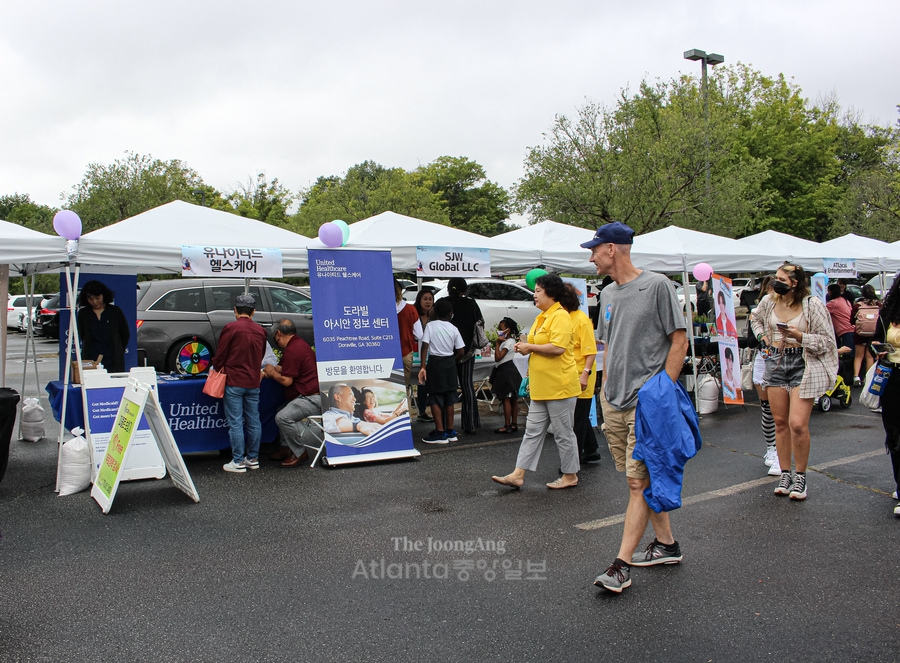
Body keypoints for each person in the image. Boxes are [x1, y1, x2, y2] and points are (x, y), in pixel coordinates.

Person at [582, 222, 688, 594]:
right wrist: (605, 391)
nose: (591, 256)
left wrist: (663, 389)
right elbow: (608, 345)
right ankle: (667, 545)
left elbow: (679, 339)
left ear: (612, 249)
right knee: (640, 481)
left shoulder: (657, 285)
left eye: (594, 249)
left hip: (648, 404)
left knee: (636, 482)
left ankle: (620, 566)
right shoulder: (608, 294)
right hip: (614, 401)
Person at [750, 263, 838, 501]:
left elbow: (828, 342)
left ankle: (801, 476)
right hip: (775, 362)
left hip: (802, 362)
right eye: (775, 278)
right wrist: (763, 337)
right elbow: (755, 319)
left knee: (797, 423)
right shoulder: (769, 301)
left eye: (781, 279)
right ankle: (785, 474)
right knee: (780, 423)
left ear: (795, 283)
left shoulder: (812, 305)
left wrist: (801, 336)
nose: (775, 282)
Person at [491, 274, 581, 491]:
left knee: (563, 433)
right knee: (532, 431)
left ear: (550, 293)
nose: (534, 294)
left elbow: (558, 348)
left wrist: (529, 347)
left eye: (538, 291)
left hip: (559, 386)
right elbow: (538, 342)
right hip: (542, 386)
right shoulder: (544, 316)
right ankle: (518, 474)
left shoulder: (560, 316)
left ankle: (570, 475)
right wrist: (523, 344)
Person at [210, 294, 268, 473]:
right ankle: (253, 458)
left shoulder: (231, 328)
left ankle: (238, 461)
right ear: (254, 312)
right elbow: (262, 354)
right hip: (253, 381)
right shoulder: (260, 330)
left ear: (235, 310)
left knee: (236, 422)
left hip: (234, 380)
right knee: (254, 421)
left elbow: (221, 355)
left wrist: (217, 367)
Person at [265, 319, 321, 468]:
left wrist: (271, 373)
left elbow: (286, 381)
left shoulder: (293, 349)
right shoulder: (297, 344)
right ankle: (285, 447)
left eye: (274, 337)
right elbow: (284, 368)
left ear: (278, 333)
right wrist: (271, 369)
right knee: (279, 409)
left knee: (283, 417)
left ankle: (299, 452)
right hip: (307, 394)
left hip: (312, 398)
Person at [559, 284, 601, 463]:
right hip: (568, 374)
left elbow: (590, 351)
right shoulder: (563, 317)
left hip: (581, 374)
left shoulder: (581, 320)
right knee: (579, 416)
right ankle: (591, 449)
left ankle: (571, 462)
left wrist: (585, 373)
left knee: (577, 419)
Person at [417, 298, 465, 444]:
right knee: (449, 398)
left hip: (435, 363)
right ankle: (450, 430)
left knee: (435, 397)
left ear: (435, 311)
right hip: (450, 362)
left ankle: (439, 432)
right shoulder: (454, 328)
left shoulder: (431, 326)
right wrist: (453, 360)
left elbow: (424, 346)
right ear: (451, 314)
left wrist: (423, 366)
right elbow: (461, 351)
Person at [871, 276, 900, 516]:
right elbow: (876, 342)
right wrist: (879, 350)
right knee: (894, 434)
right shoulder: (888, 315)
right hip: (892, 377)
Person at [443, 277, 484, 434]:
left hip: (447, 353)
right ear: (465, 289)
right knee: (467, 387)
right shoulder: (471, 304)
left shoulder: (444, 303)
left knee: (448, 388)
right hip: (467, 352)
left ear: (448, 288)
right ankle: (470, 424)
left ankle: (447, 426)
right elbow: (480, 323)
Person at [750, 276, 779, 476]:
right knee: (767, 407)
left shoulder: (791, 308)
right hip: (764, 357)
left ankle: (781, 453)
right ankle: (772, 448)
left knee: (782, 411)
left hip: (786, 360)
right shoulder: (759, 310)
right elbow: (752, 334)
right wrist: (762, 336)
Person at [76, 280, 130, 373]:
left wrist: (119, 349)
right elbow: (82, 334)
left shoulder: (115, 311)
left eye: (97, 298)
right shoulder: (83, 313)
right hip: (91, 356)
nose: (95, 302)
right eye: (91, 299)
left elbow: (125, 333)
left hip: (113, 356)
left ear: (104, 295)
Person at [490, 317, 522, 434]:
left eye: (501, 329)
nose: (499, 331)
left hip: (506, 372)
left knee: (506, 398)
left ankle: (507, 425)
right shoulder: (513, 341)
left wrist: (497, 343)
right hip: (513, 371)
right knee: (513, 398)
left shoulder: (507, 343)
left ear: (507, 330)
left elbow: (498, 357)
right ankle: (514, 423)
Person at [851, 284, 882, 386]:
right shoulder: (878, 305)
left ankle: (856, 376)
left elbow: (851, 320)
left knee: (858, 356)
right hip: (873, 334)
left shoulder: (858, 305)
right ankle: (867, 378)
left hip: (860, 333)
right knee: (869, 357)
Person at [412, 289, 436, 422]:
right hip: (416, 353)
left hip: (432, 353)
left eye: (430, 299)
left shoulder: (435, 316)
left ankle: (424, 411)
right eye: (425, 299)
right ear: (419, 300)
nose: (428, 302)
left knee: (428, 383)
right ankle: (421, 411)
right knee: (421, 382)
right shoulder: (414, 314)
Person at [395, 278, 420, 395]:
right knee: (403, 390)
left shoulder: (381, 309)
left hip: (386, 355)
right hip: (405, 353)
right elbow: (419, 334)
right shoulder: (410, 309)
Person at [826, 283, 855, 362]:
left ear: (831, 292)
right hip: (852, 328)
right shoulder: (846, 300)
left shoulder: (833, 303)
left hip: (845, 330)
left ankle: (848, 373)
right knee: (852, 354)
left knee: (848, 354)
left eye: (828, 291)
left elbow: (821, 311)